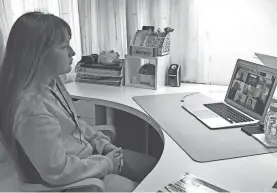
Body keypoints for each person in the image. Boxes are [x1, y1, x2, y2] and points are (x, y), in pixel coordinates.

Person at [0, 12, 157, 192]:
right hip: (79, 179)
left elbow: (75, 125)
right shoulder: (31, 110)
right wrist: (106, 164)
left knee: (156, 167)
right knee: (150, 186)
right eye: (64, 46)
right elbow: (58, 171)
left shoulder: (53, 82)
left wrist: (102, 144)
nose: (73, 52)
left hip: (91, 160)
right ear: (38, 54)